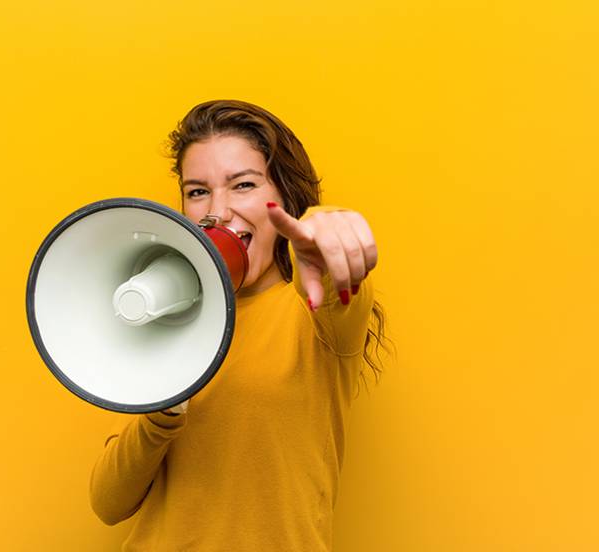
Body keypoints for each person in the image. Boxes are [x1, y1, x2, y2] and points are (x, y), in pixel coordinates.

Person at [90, 99, 388, 551]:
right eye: (197, 191)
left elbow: (340, 284)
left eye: (243, 185)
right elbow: (108, 504)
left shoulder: (315, 314)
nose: (219, 211)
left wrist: (325, 231)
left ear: (284, 199)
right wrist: (163, 411)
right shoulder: (165, 318)